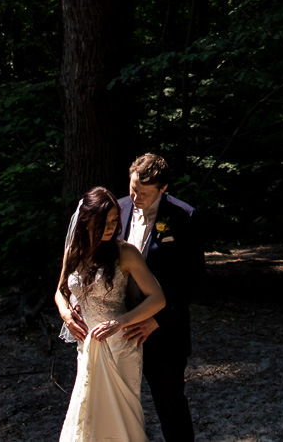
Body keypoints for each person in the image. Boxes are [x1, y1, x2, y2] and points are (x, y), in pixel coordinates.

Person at [56, 186, 166, 442]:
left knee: (122, 418)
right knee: (89, 410)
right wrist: (66, 314)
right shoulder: (74, 250)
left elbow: (158, 298)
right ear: (86, 221)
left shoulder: (125, 253)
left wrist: (121, 322)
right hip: (87, 345)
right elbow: (60, 291)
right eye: (103, 221)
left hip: (121, 345)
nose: (110, 227)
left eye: (114, 220)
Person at [116, 154, 202, 442]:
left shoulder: (183, 217)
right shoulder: (117, 208)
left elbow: (191, 279)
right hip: (121, 325)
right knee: (118, 402)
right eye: (133, 188)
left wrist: (158, 320)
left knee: (170, 402)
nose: (135, 196)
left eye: (144, 192)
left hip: (165, 331)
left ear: (163, 188)